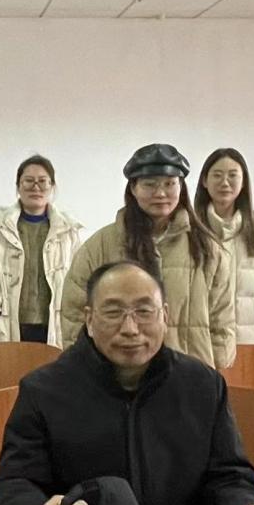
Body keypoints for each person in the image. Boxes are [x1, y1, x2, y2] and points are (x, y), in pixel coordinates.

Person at [0, 260, 254, 505]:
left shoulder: (202, 386)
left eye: (144, 311)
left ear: (165, 316)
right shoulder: (44, 389)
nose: (130, 329)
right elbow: (13, 484)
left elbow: (229, 477)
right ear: (89, 319)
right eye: (113, 313)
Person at [61, 143, 235, 368]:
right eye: (150, 185)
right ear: (133, 189)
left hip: (188, 375)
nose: (160, 193)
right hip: (116, 376)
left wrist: (211, 373)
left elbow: (222, 322)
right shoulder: (99, 246)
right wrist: (88, 368)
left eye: (169, 184)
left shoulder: (207, 249)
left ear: (181, 187)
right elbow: (74, 314)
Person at [0, 154, 84, 347]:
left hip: (54, 327)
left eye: (42, 181)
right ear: (18, 186)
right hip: (5, 324)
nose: (35, 187)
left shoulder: (68, 233)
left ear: (52, 186)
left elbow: (80, 280)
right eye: (28, 181)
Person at [193, 148, 254, 346]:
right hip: (201, 346)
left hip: (250, 344)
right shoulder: (190, 228)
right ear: (204, 181)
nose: (225, 182)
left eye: (233, 175)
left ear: (243, 181)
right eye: (217, 175)